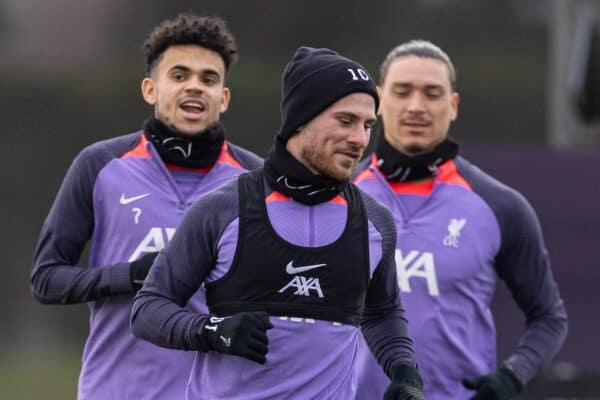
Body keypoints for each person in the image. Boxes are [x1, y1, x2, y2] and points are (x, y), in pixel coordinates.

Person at [131, 46, 425, 400]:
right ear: (301, 119)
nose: (360, 140)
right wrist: (209, 329)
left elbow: (382, 312)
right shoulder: (222, 210)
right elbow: (148, 309)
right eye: (345, 121)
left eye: (367, 125)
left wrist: (405, 372)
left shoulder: (375, 223)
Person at [30, 14, 262, 400]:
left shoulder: (256, 180)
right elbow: (46, 279)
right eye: (179, 75)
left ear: (223, 98)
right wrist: (129, 276)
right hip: (116, 391)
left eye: (208, 79)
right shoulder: (100, 164)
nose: (194, 87)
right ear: (150, 89)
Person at [353, 40, 568, 399]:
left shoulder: (500, 205)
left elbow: (549, 317)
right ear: (377, 100)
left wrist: (513, 376)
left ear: (452, 106)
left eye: (432, 93)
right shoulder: (336, 198)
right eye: (403, 91)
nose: (416, 106)